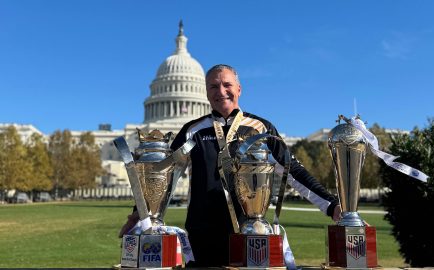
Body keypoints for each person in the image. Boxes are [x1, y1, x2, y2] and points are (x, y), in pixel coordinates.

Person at [119, 64, 341, 267]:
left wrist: (332, 207)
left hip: (251, 234)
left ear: (239, 89)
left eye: (227, 85)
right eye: (214, 86)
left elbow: (293, 171)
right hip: (203, 235)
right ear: (206, 92)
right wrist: (137, 216)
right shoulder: (192, 130)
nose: (221, 91)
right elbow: (161, 177)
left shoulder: (260, 127)